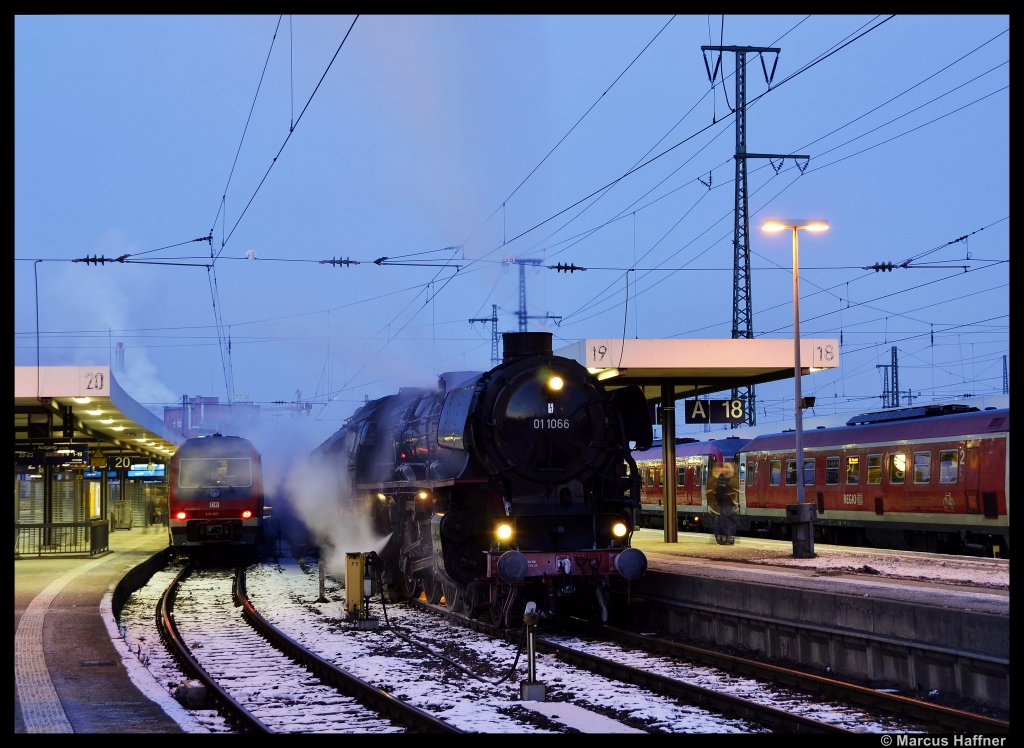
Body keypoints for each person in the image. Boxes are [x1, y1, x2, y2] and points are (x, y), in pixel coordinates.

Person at [713, 462, 739, 545]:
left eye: (727, 468)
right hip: (726, 503)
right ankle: (728, 538)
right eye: (725, 467)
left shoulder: (725, 478)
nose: (725, 469)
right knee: (728, 521)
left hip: (727, 503)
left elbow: (720, 490)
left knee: (728, 521)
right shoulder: (729, 478)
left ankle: (729, 538)